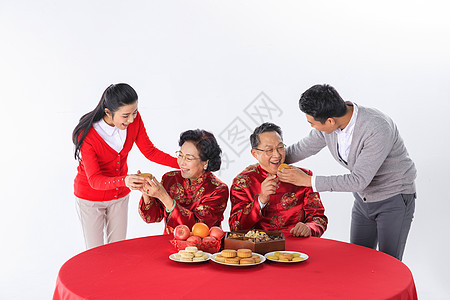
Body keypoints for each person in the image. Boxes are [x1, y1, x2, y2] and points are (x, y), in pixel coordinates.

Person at [279, 84, 416, 260]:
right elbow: (304, 147)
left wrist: (309, 181)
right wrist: (274, 159)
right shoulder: (330, 124)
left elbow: (358, 180)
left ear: (329, 121)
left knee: (389, 264)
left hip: (394, 198)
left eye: (312, 123)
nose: (312, 127)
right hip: (363, 200)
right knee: (357, 259)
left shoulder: (377, 128)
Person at [72, 83, 179, 249]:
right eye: (126, 115)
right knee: (94, 253)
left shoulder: (133, 120)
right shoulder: (88, 135)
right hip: (90, 198)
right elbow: (94, 179)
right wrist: (125, 180)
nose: (131, 119)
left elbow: (150, 151)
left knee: (118, 250)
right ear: (108, 112)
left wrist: (183, 164)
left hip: (119, 196)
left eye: (135, 112)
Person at [229, 122, 328, 237]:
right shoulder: (242, 182)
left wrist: (309, 228)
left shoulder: (303, 176)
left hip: (298, 249)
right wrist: (261, 200)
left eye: (280, 148)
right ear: (255, 154)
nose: (277, 155)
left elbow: (319, 218)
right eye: (269, 150)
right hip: (259, 250)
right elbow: (235, 227)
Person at [138, 129, 229, 234]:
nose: (181, 162)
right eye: (180, 155)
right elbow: (152, 218)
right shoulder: (169, 178)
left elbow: (197, 228)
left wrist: (164, 197)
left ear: (205, 162)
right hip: (169, 244)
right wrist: (146, 192)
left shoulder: (217, 190)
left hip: (202, 248)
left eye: (188, 158)